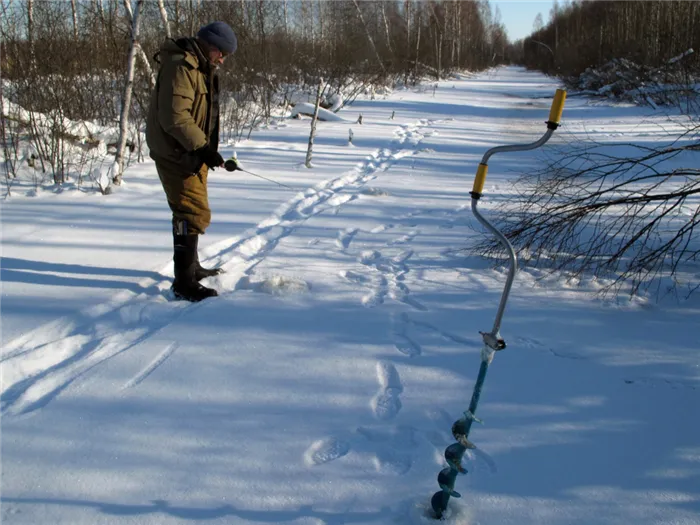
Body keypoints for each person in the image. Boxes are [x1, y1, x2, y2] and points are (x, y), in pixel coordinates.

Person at [146, 21, 237, 302]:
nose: (222, 60)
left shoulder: (198, 66)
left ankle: (192, 268)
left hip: (189, 151)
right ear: (210, 47)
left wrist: (204, 149)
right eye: (221, 53)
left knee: (188, 211)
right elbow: (175, 117)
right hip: (177, 152)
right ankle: (183, 283)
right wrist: (203, 147)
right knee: (191, 213)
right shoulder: (181, 67)